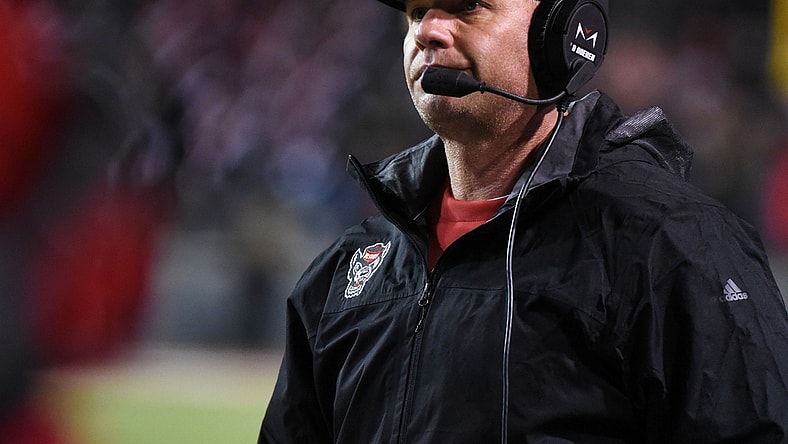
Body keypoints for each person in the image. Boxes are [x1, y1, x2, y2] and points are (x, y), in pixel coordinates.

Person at [259, 0, 788, 442]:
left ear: (567, 35)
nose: (429, 30)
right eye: (417, 10)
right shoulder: (349, 268)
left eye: (468, 7)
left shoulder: (672, 243)